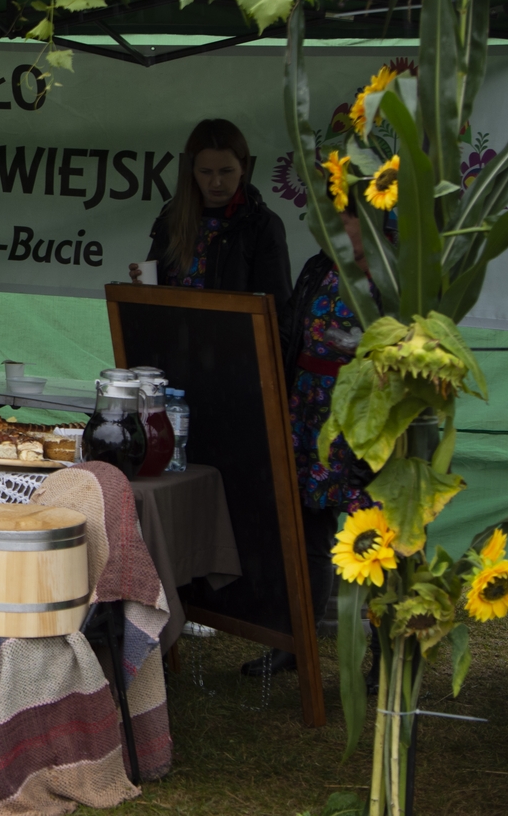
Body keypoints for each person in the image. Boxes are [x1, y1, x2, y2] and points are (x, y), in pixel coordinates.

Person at [243, 205, 378, 676]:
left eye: (341, 221)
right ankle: (295, 643)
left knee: (377, 539)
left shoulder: (397, 277)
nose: (328, 231)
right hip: (308, 412)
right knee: (305, 534)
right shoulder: (318, 267)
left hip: (368, 418)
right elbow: (291, 334)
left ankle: (385, 660)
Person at [129, 118, 292, 321]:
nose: (216, 182)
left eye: (226, 171)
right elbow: (155, 291)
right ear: (192, 170)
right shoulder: (172, 215)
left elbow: (278, 307)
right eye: (205, 172)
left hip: (232, 339)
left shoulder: (261, 224)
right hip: (170, 335)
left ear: (243, 167)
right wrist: (141, 286)